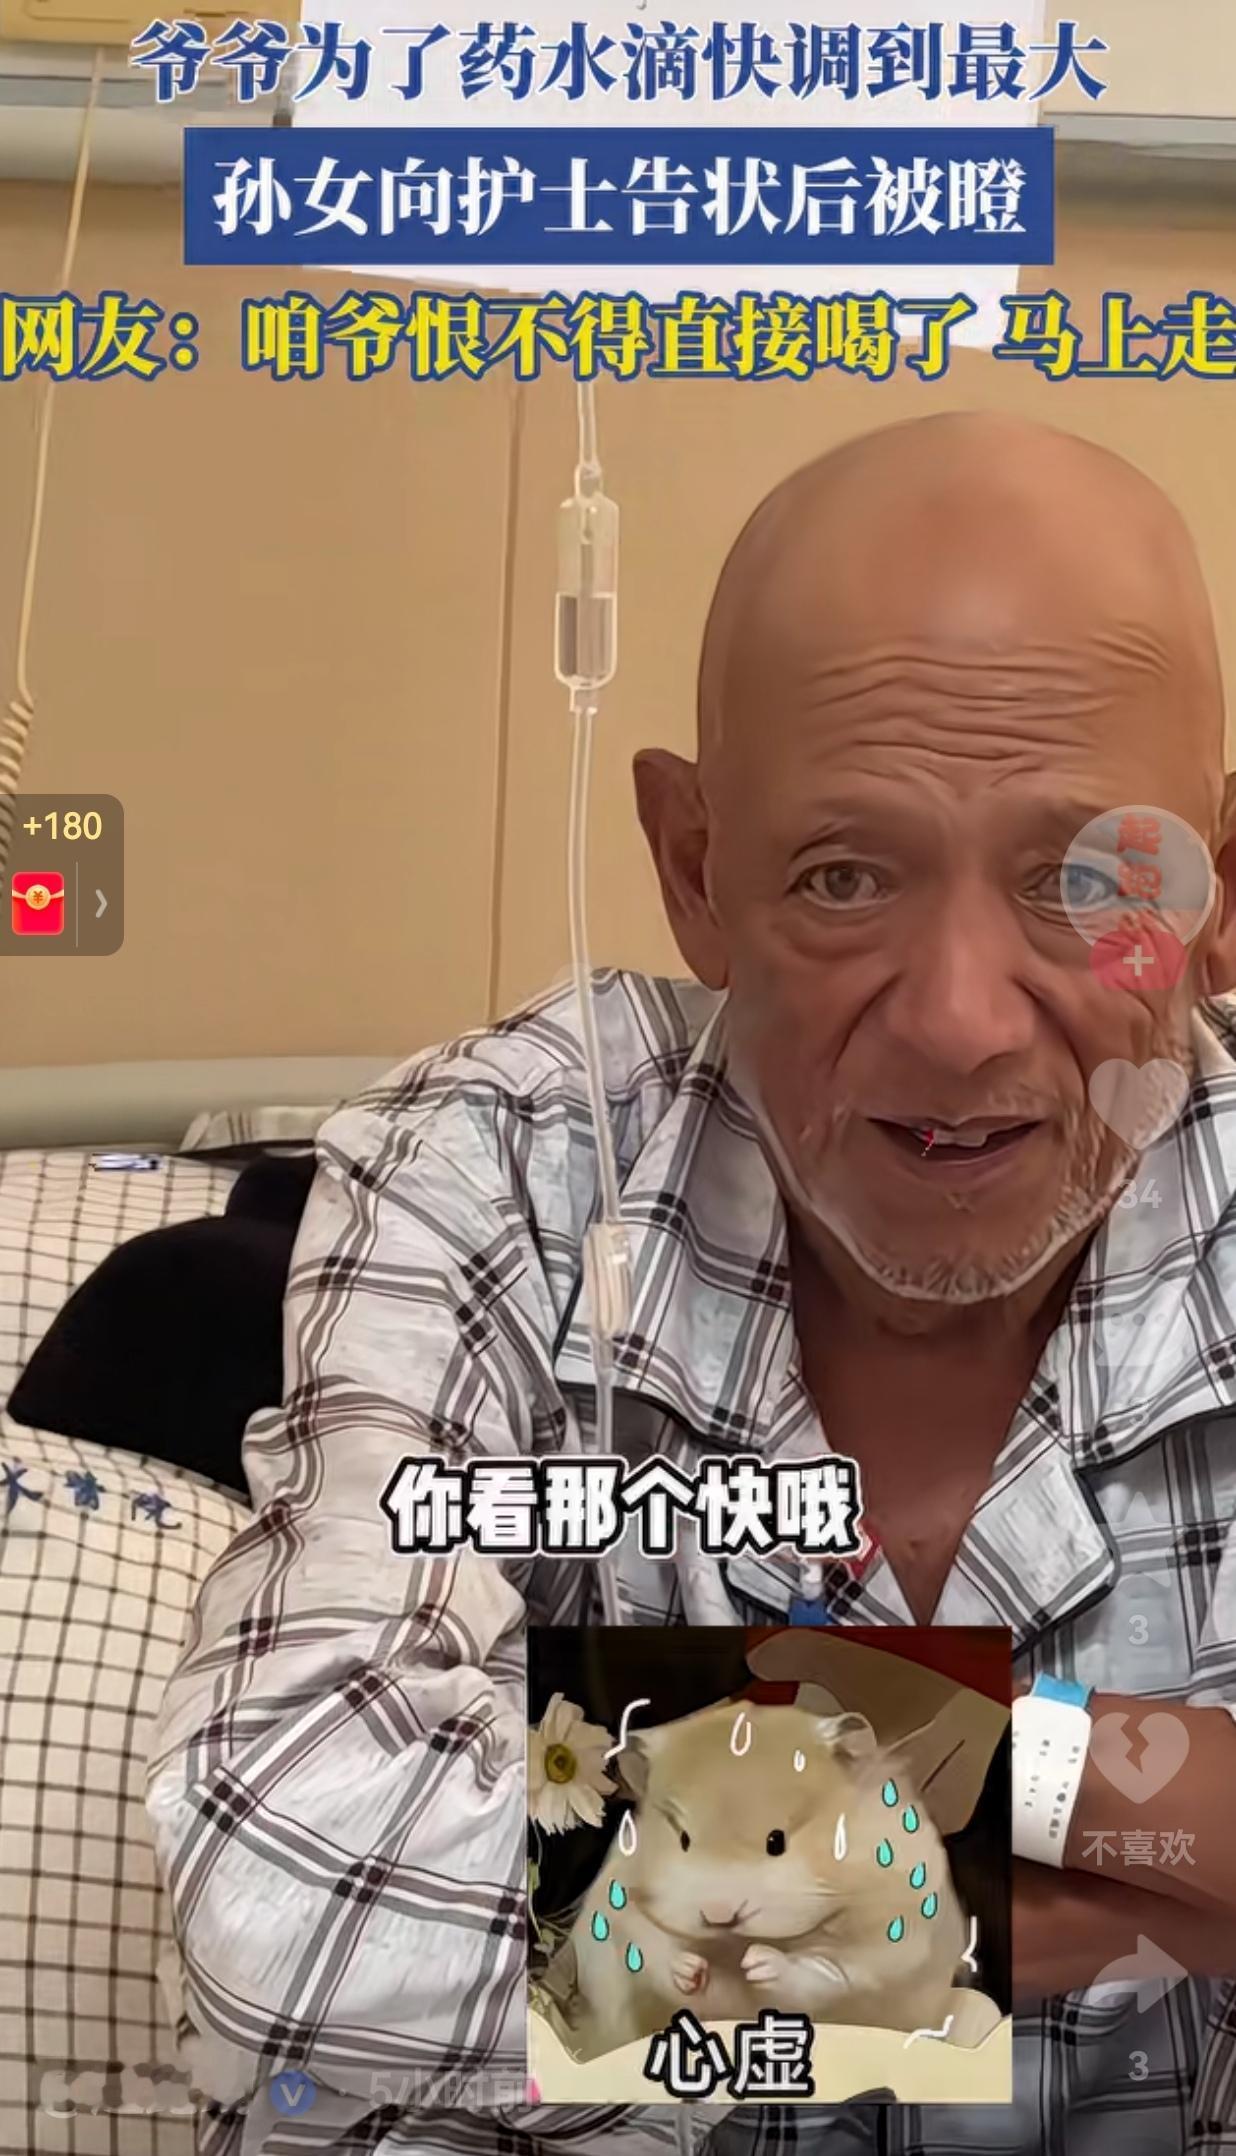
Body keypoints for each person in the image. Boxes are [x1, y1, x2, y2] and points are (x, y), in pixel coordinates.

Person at [147, 412, 1236, 2155]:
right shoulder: (500, 1165)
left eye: (1081, 880)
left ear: (1220, 895)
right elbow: (281, 1877)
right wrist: (1046, 1801)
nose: (961, 1020)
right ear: (692, 868)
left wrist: (671, 1841)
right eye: (843, 876)